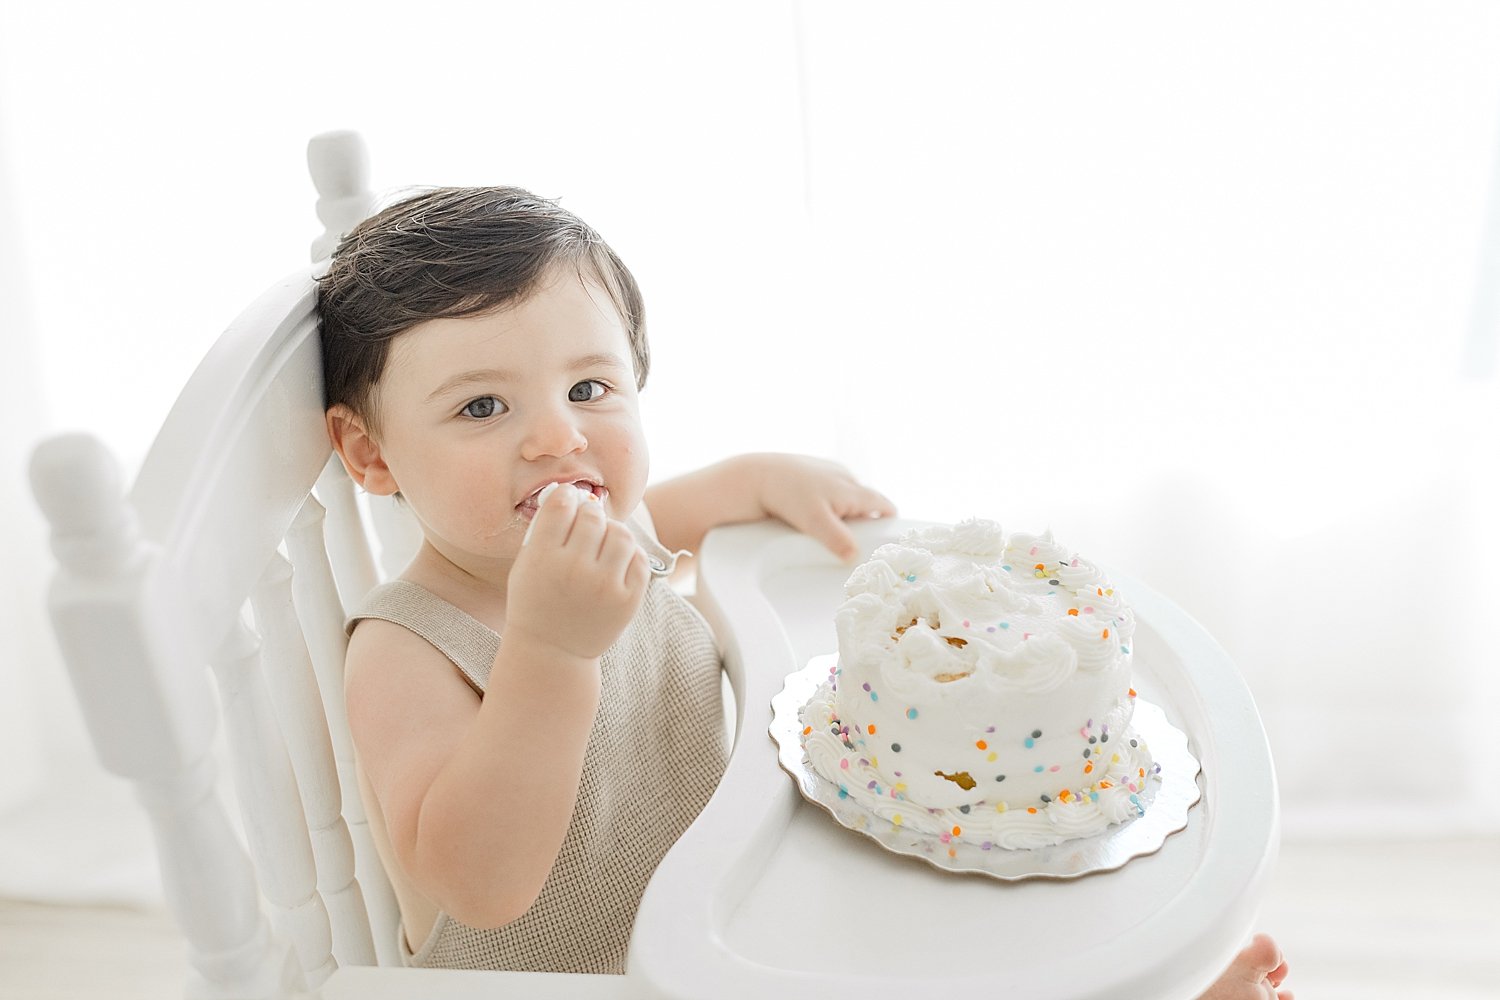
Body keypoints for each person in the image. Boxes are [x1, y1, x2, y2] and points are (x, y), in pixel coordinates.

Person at [318, 186, 1291, 997]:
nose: (558, 439)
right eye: (483, 406)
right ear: (370, 453)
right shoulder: (408, 647)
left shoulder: (617, 526)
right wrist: (550, 653)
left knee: (940, 927)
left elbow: (699, 500)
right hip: (583, 980)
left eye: (590, 389)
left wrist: (766, 474)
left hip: (727, 906)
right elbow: (481, 886)